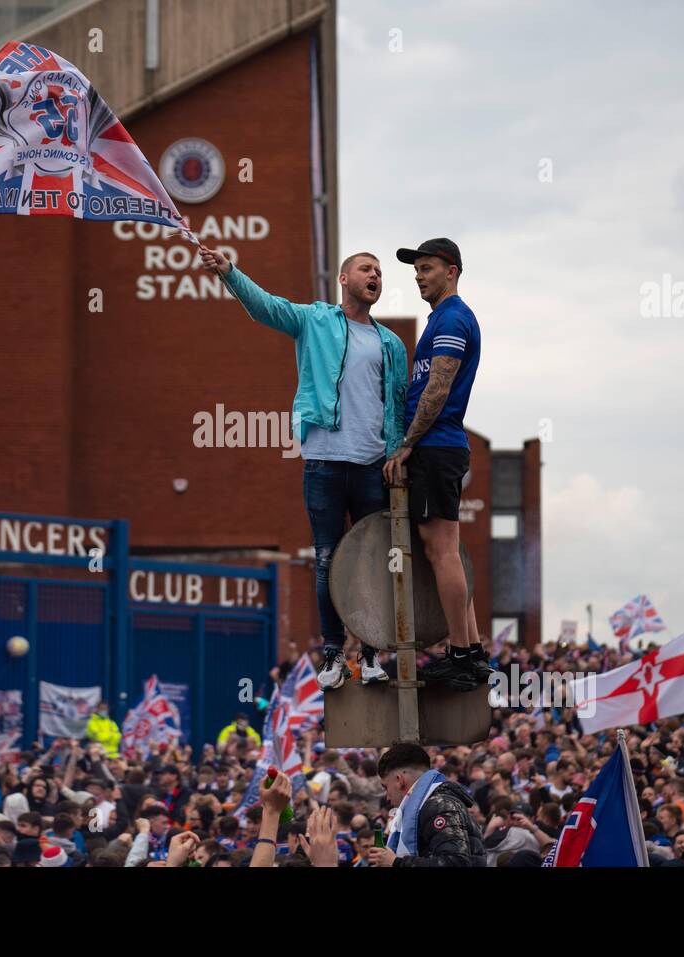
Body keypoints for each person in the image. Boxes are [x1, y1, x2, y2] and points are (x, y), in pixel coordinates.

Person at [199, 245, 405, 691]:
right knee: (327, 559)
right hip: (324, 463)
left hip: (373, 465)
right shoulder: (314, 321)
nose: (376, 276)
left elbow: (400, 405)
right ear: (345, 280)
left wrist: (397, 454)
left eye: (380, 272)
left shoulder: (391, 343)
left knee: (371, 564)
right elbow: (266, 308)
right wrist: (230, 273)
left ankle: (370, 654)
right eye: (366, 269)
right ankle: (333, 653)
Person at [381, 238, 490, 691]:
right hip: (441, 447)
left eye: (427, 268)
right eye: (417, 271)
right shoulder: (440, 319)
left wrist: (408, 443)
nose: (420, 277)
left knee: (441, 550)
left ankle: (462, 655)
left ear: (452, 270)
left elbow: (439, 388)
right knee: (445, 551)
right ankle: (473, 651)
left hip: (436, 446)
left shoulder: (452, 317)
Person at [363, 743, 486, 867]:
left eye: (386, 787)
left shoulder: (440, 805)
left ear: (400, 780)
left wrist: (395, 862)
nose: (387, 797)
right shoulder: (434, 804)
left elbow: (455, 862)